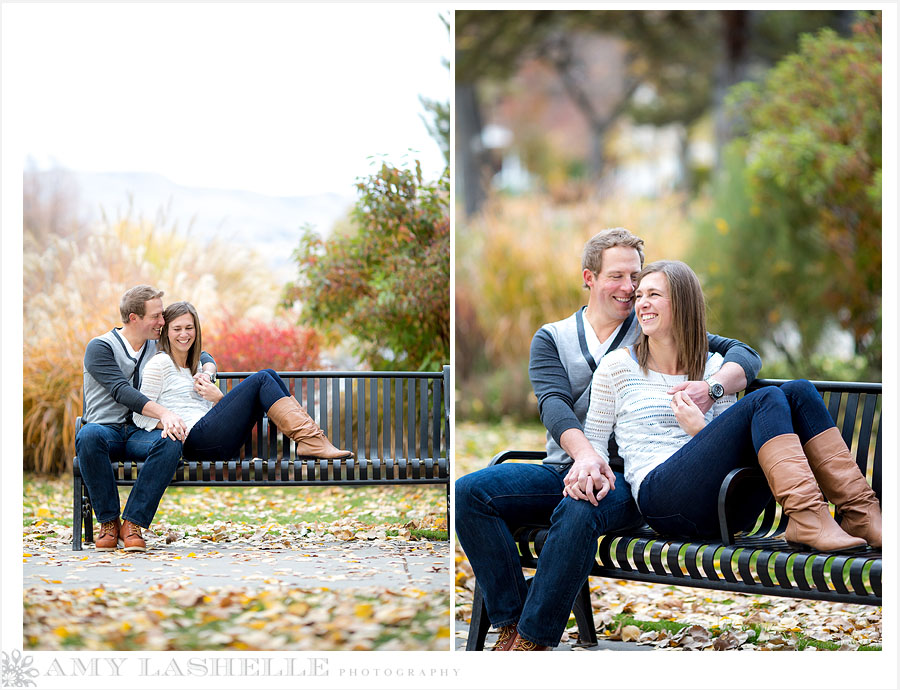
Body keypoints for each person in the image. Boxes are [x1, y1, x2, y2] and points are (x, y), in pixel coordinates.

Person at [455, 228, 763, 651]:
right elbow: (554, 404)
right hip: (565, 466)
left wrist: (710, 390)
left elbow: (745, 354)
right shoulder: (553, 337)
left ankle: (532, 642)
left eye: (636, 277)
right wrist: (583, 457)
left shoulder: (651, 326)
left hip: (630, 479)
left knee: (581, 510)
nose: (631, 288)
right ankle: (512, 619)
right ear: (589, 278)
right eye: (618, 276)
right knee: (470, 492)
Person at [582, 259, 881, 555]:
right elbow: (593, 443)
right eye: (640, 296)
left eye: (654, 295)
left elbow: (728, 445)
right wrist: (589, 474)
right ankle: (808, 516)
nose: (642, 304)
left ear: (683, 303)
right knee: (767, 398)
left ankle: (860, 513)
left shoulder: (714, 367)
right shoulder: (616, 367)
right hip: (663, 501)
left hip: (729, 504)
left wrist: (700, 428)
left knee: (800, 390)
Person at [133, 301, 351, 477]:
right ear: (166, 333)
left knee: (270, 375)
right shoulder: (158, 365)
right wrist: (170, 422)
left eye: (189, 328)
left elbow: (210, 414)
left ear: (196, 331)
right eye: (177, 329)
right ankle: (311, 440)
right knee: (263, 377)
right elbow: (139, 416)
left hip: (215, 440)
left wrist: (218, 399)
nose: (184, 334)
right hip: (192, 442)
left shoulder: (197, 367)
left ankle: (311, 441)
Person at [75, 285, 218, 552]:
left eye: (162, 316)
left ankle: (132, 524)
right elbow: (121, 391)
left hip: (141, 431)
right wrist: (164, 413)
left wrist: (208, 371)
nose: (162, 322)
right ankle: (108, 523)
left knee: (171, 441)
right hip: (106, 431)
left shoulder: (157, 345)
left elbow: (202, 354)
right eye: (156, 317)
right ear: (134, 318)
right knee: (88, 436)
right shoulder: (100, 347)